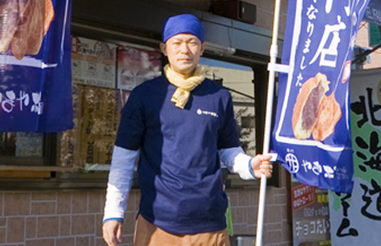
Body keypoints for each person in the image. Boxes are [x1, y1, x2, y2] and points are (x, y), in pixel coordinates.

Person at [102, 14, 273, 246]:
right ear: (164, 48)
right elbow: (124, 157)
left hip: (210, 224)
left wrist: (248, 166)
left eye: (192, 42)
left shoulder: (219, 96)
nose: (185, 49)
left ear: (202, 48)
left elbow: (228, 150)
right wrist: (113, 212)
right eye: (177, 42)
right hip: (157, 224)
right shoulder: (145, 96)